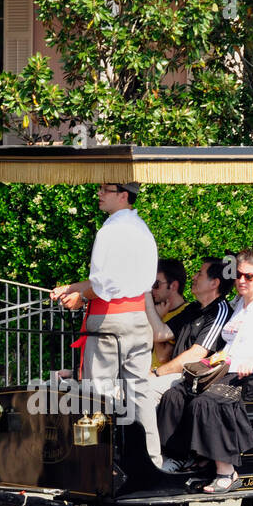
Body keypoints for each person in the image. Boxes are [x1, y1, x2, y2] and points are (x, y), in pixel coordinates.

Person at [50, 181, 163, 467]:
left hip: (109, 319)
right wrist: (71, 287)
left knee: (95, 393)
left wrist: (79, 297)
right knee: (139, 393)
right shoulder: (142, 229)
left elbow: (102, 285)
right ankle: (152, 461)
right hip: (138, 318)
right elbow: (118, 281)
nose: (99, 193)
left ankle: (95, 464)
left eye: (105, 189)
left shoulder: (111, 229)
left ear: (123, 195)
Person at [157, 250, 253, 492]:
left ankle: (227, 471)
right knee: (176, 394)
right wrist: (211, 361)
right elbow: (230, 347)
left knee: (206, 402)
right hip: (227, 373)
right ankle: (178, 456)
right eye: (238, 275)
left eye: (249, 276)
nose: (242, 281)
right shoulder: (239, 306)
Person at [149, 258, 232, 402]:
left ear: (214, 283)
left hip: (194, 379)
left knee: (143, 391)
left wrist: (156, 373)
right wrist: (146, 296)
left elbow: (195, 356)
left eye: (200, 274)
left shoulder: (219, 311)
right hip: (177, 377)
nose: (193, 277)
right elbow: (160, 334)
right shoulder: (193, 309)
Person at [150, 259, 197, 368]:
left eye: (156, 284)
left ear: (174, 286)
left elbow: (162, 357)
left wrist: (158, 319)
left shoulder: (185, 313)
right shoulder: (157, 308)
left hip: (162, 378)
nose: (152, 290)